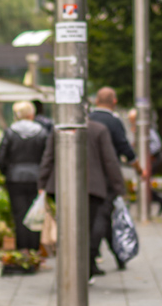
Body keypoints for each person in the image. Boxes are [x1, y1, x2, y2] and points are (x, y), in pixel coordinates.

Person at [38, 118, 125, 276]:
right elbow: (110, 160)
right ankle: (87, 267)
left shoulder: (59, 128)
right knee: (88, 227)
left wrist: (42, 183)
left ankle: (71, 268)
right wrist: (118, 186)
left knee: (67, 228)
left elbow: (48, 157)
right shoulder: (99, 129)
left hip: (62, 187)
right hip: (92, 187)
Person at [0, 101, 48, 250]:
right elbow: (47, 157)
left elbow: (1, 157)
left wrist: (7, 172)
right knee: (35, 214)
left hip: (15, 179)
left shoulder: (10, 132)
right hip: (36, 178)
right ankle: (34, 249)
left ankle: (22, 250)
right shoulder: (42, 132)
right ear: (32, 114)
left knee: (19, 215)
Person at [90, 87, 136, 163]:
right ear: (114, 101)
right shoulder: (115, 122)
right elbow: (123, 146)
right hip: (109, 167)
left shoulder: (88, 119)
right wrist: (139, 169)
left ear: (96, 101)